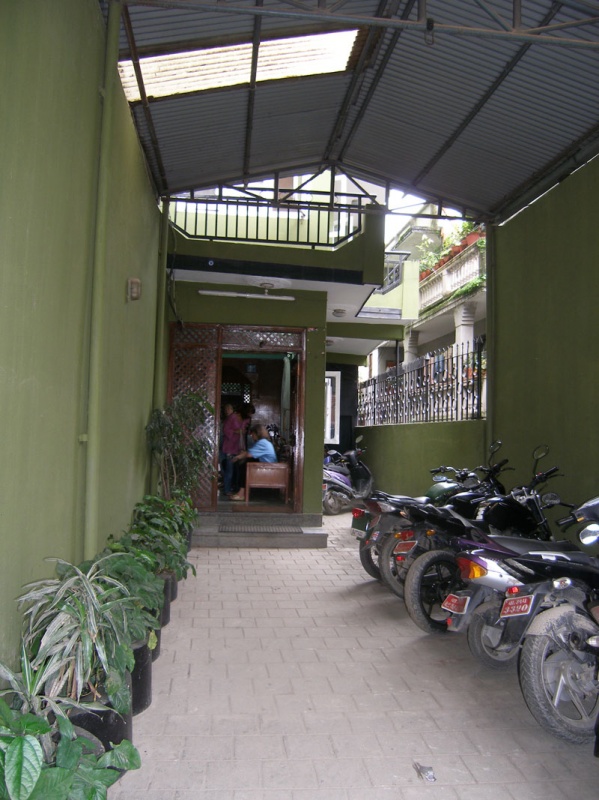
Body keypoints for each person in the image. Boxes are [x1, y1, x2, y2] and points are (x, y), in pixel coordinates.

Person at [229, 423, 277, 501]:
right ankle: (241, 491)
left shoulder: (262, 443)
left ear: (257, 433)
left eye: (252, 434)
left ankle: (241, 493)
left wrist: (237, 457)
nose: (252, 436)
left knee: (245, 465)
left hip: (269, 470)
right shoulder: (265, 442)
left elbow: (249, 454)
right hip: (269, 468)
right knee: (247, 463)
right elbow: (250, 453)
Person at [219, 403, 245, 496]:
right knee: (231, 470)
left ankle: (228, 488)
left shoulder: (231, 418)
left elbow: (227, 431)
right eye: (226, 409)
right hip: (232, 447)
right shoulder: (232, 418)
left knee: (229, 470)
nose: (227, 411)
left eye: (228, 409)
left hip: (230, 447)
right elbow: (236, 430)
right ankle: (229, 488)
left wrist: (234, 431)